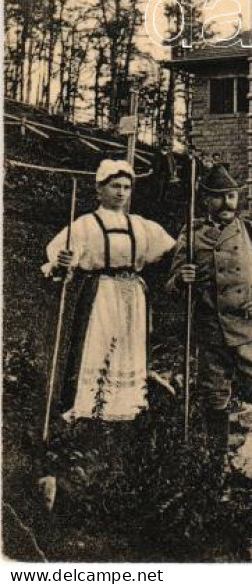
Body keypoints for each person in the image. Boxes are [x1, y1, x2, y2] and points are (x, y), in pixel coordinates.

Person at [166, 165, 252, 491]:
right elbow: (170, 285)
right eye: (218, 198)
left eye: (231, 196)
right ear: (205, 200)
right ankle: (215, 466)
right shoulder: (190, 236)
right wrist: (182, 279)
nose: (226, 203)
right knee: (214, 397)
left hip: (250, 331)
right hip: (211, 333)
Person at [43, 159, 176, 424]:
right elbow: (59, 257)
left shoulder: (140, 225)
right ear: (99, 189)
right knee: (100, 342)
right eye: (115, 186)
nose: (121, 193)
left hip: (133, 295)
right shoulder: (86, 225)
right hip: (102, 292)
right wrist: (64, 261)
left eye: (127, 187)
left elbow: (173, 250)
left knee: (130, 345)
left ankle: (129, 404)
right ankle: (90, 405)